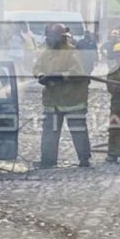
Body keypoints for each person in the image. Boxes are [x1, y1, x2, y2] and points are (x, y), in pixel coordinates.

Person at [33, 23, 92, 168]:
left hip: (73, 99)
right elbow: (37, 68)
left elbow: (78, 72)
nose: (51, 40)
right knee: (49, 131)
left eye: (54, 37)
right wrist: (42, 76)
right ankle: (48, 160)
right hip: (53, 100)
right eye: (49, 37)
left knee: (78, 130)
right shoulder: (46, 53)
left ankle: (84, 159)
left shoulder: (72, 52)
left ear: (62, 38)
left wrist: (60, 76)